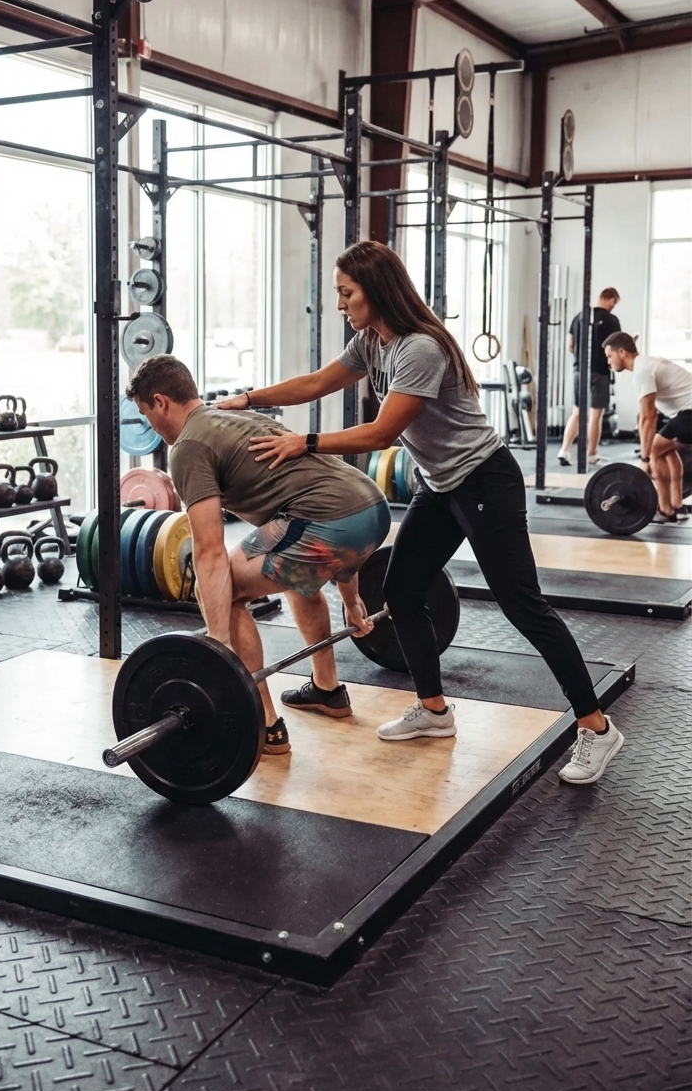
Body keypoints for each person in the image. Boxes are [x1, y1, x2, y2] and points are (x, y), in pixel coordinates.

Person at [219, 241, 624, 786]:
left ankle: (596, 728)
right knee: (403, 592)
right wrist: (248, 400)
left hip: (485, 480)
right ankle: (434, 711)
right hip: (443, 486)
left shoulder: (420, 348)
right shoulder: (372, 341)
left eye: (347, 293)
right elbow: (316, 383)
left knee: (523, 606)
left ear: (376, 291)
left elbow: (382, 433)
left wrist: (305, 442)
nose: (341, 304)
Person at [125, 354, 390, 755]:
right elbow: (331, 501)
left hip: (329, 520)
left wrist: (219, 648)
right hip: (372, 508)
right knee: (295, 579)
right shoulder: (238, 420)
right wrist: (352, 602)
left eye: (147, 415)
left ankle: (263, 725)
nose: (151, 426)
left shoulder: (188, 447)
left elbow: (210, 552)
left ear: (161, 402)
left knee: (224, 586)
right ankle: (327, 689)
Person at [603, 332, 692, 524]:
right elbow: (649, 415)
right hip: (684, 414)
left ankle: (666, 510)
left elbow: (648, 416)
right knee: (666, 450)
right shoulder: (646, 364)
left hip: (689, 413)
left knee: (655, 450)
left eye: (609, 356)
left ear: (622, 352)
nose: (608, 362)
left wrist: (645, 458)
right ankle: (678, 505)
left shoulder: (642, 369)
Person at [558, 287, 621, 468]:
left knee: (577, 412)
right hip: (600, 371)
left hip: (580, 371)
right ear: (609, 299)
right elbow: (616, 349)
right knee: (595, 414)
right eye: (614, 303)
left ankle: (564, 450)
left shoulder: (579, 317)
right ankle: (591, 454)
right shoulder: (611, 320)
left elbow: (570, 346)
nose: (613, 306)